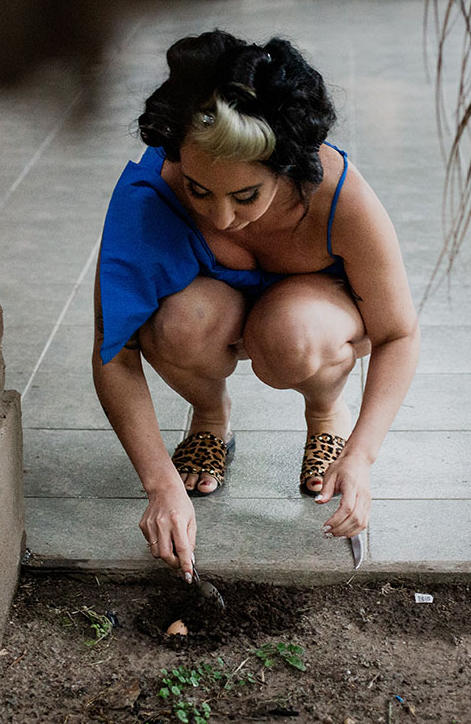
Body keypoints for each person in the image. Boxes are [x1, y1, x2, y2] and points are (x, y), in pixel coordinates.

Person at [92, 30, 419, 582]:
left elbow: (398, 335)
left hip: (312, 313)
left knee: (291, 335)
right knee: (175, 326)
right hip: (212, 308)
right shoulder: (150, 194)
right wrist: (161, 486)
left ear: (286, 167)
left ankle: (324, 416)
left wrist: (362, 455)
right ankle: (210, 420)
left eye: (246, 196)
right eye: (199, 191)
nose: (221, 218)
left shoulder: (340, 196)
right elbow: (113, 351)